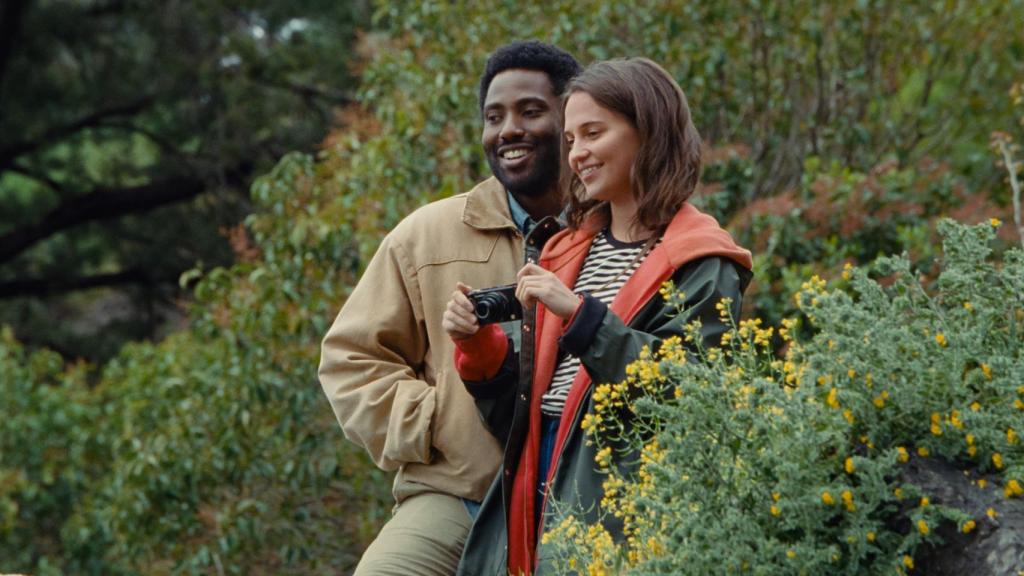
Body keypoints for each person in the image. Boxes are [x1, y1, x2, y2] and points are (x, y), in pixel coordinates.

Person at [443, 58, 754, 575]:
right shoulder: (565, 249)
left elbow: (690, 393)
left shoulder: (701, 261)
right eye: (570, 139)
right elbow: (517, 418)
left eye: (593, 133)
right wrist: (481, 349)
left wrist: (581, 317)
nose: (577, 154)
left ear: (649, 132)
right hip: (532, 483)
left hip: (619, 497)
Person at [318, 41, 580, 575]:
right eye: (494, 117)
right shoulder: (426, 234)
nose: (509, 130)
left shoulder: (616, 227)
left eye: (531, 111)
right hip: (457, 496)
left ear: (571, 120)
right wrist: (435, 422)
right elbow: (350, 360)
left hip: (580, 503)